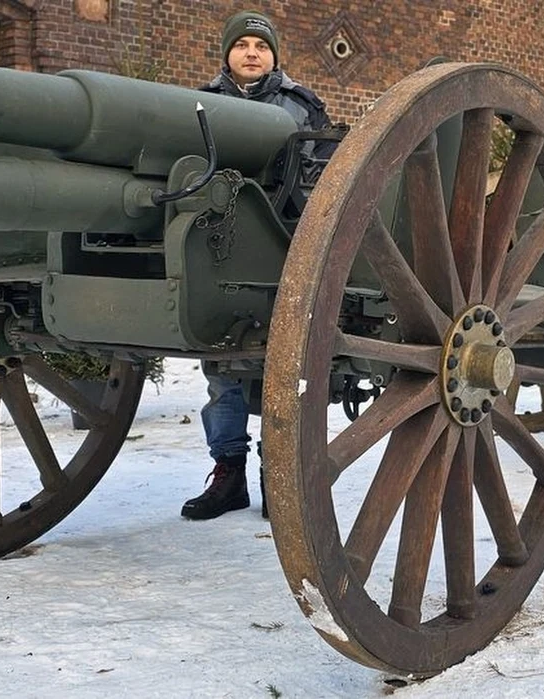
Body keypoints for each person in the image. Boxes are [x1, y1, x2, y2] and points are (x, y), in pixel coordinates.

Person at [181, 10, 334, 521]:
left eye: (261, 46)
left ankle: (277, 474)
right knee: (220, 364)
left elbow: (316, 174)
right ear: (227, 53)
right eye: (242, 44)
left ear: (274, 56)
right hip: (216, 241)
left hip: (279, 239)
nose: (252, 53)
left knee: (277, 368)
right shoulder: (200, 103)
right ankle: (229, 473)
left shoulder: (300, 105)